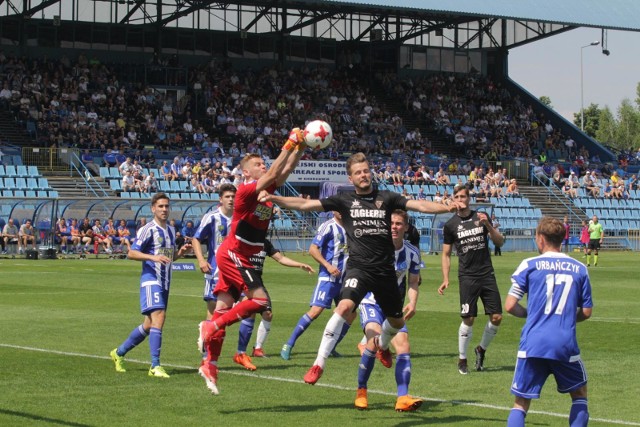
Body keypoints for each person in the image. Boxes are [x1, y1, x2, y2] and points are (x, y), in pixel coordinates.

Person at [262, 152, 459, 398]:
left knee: (397, 323)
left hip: (385, 271)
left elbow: (419, 205)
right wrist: (273, 197)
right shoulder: (344, 200)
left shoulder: (387, 198)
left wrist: (445, 206)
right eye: (358, 172)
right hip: (358, 269)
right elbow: (305, 204)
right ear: (351, 177)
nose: (363, 175)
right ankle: (318, 364)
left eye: (365, 170)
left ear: (370, 173)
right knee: (344, 307)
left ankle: (383, 347)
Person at [198, 128, 307, 395]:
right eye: (257, 164)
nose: (263, 166)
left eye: (263, 163)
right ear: (246, 172)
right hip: (235, 253)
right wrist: (288, 143)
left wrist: (301, 148)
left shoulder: (266, 189)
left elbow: (285, 170)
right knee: (260, 301)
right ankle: (210, 325)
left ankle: (209, 365)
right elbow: (273, 173)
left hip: (241, 254)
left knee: (224, 308)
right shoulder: (245, 190)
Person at [505, 217, 593, 427]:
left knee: (521, 403)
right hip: (564, 343)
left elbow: (509, 305)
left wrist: (533, 314)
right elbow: (587, 312)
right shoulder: (579, 268)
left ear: (541, 239)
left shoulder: (529, 265)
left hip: (533, 342)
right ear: (562, 239)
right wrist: (566, 318)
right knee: (579, 394)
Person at [110, 193, 192, 378]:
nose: (164, 209)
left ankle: (119, 353)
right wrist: (152, 257)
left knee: (149, 325)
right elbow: (132, 253)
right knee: (160, 317)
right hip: (150, 279)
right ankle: (155, 366)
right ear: (153, 208)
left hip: (165, 281)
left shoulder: (171, 231)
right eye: (161, 206)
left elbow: (168, 258)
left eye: (166, 206)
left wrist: (180, 253)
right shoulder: (148, 229)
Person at [354, 210, 423, 412]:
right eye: (391, 223)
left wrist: (412, 302)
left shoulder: (412, 252)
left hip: (392, 306)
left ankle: (402, 397)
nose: (394, 227)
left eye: (399, 223)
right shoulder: (374, 247)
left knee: (403, 346)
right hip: (371, 302)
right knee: (373, 341)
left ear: (406, 228)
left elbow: (413, 282)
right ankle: (361, 392)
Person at [438, 184, 505, 375]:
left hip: (486, 273)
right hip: (467, 276)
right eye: (457, 197)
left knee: (497, 317)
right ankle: (462, 358)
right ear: (453, 199)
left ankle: (481, 349)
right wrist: (445, 278)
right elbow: (445, 254)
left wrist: (488, 226)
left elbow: (499, 242)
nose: (460, 200)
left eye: (463, 197)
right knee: (469, 318)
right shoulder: (450, 225)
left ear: (469, 198)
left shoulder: (481, 217)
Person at [280, 211, 351, 361]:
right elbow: (313, 249)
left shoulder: (351, 227)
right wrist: (327, 265)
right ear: (333, 211)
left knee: (350, 314)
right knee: (315, 311)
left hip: (345, 280)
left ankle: (330, 347)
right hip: (328, 279)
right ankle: (288, 344)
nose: (342, 211)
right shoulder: (328, 227)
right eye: (338, 208)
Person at [234, 238, 315, 367]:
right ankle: (241, 352)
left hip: (258, 284)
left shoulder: (264, 243)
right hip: (244, 281)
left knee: (268, 314)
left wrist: (300, 264)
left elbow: (281, 259)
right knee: (250, 313)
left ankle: (258, 349)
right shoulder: (245, 240)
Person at [192, 184, 236, 357]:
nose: (231, 199)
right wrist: (201, 260)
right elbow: (196, 239)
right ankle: (207, 352)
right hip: (215, 271)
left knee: (246, 306)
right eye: (227, 196)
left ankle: (237, 350)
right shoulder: (212, 217)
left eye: (233, 196)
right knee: (213, 311)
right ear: (220, 199)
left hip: (235, 271)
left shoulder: (239, 218)